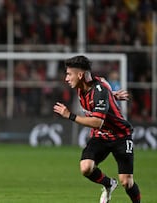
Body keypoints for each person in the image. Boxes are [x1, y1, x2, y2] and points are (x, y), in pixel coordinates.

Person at [53, 55, 141, 203]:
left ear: (80, 75)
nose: (66, 79)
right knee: (86, 167)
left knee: (127, 182)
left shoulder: (99, 90)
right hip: (101, 136)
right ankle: (109, 184)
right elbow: (102, 95)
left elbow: (97, 122)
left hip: (120, 135)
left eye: (69, 74)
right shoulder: (83, 86)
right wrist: (112, 96)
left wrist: (69, 115)